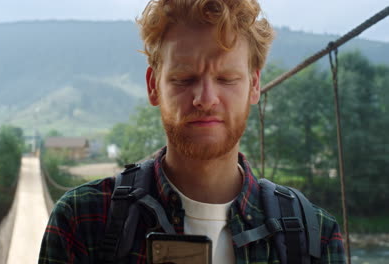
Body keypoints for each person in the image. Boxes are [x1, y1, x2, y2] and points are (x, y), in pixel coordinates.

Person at [39, 0, 345, 263]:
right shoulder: (82, 219)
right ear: (152, 86)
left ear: (254, 86)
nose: (205, 99)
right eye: (184, 78)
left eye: (226, 78)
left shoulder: (315, 234)